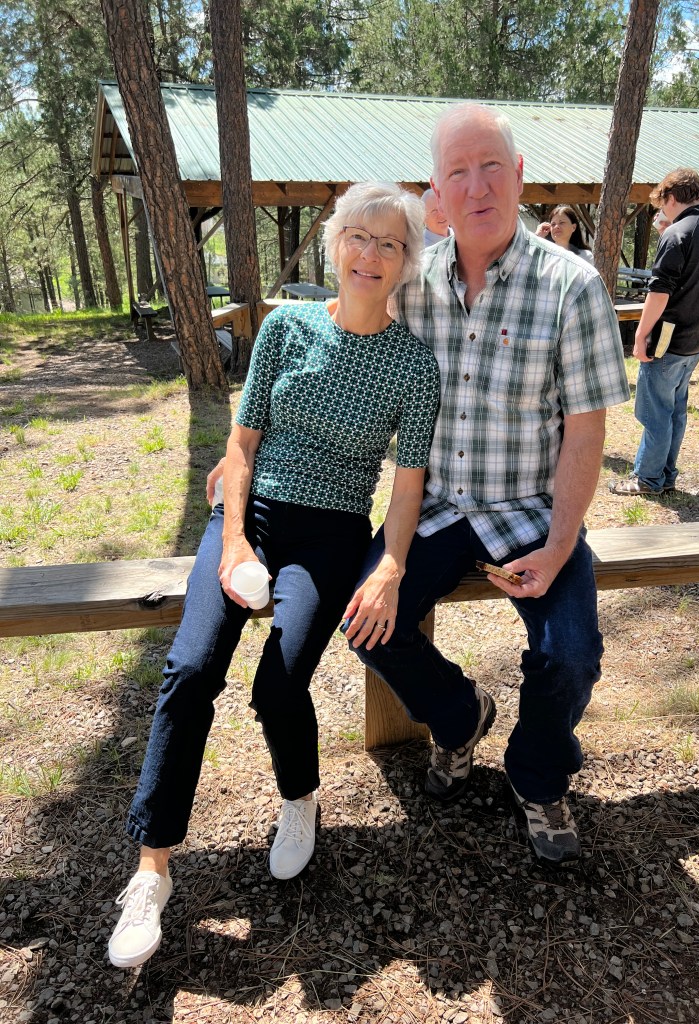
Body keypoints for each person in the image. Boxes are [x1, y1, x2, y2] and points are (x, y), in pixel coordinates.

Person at [107, 182, 441, 970]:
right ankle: (152, 871)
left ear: (405, 263)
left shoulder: (414, 365)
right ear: (335, 244)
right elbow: (241, 443)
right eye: (358, 236)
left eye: (389, 244)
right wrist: (231, 544)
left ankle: (299, 799)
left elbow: (406, 487)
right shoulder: (286, 328)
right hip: (248, 516)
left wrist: (392, 564)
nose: (370, 254)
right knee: (191, 669)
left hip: (331, 533)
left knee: (279, 684)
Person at [345, 104, 629, 865]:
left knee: (571, 654)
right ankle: (461, 715)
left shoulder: (572, 286)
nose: (477, 187)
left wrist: (561, 544)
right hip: (435, 507)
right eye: (458, 172)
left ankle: (538, 776)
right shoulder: (411, 283)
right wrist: (248, 449)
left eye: (491, 167)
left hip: (530, 509)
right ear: (437, 191)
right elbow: (343, 334)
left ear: (520, 175)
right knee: (366, 622)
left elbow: (587, 431)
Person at [610, 168, 699, 497]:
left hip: (667, 337)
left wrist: (640, 335)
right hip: (697, 336)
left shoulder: (677, 233)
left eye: (663, 203)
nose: (662, 210)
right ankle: (665, 474)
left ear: (672, 197)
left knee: (654, 413)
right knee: (675, 410)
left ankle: (647, 478)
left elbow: (659, 292)